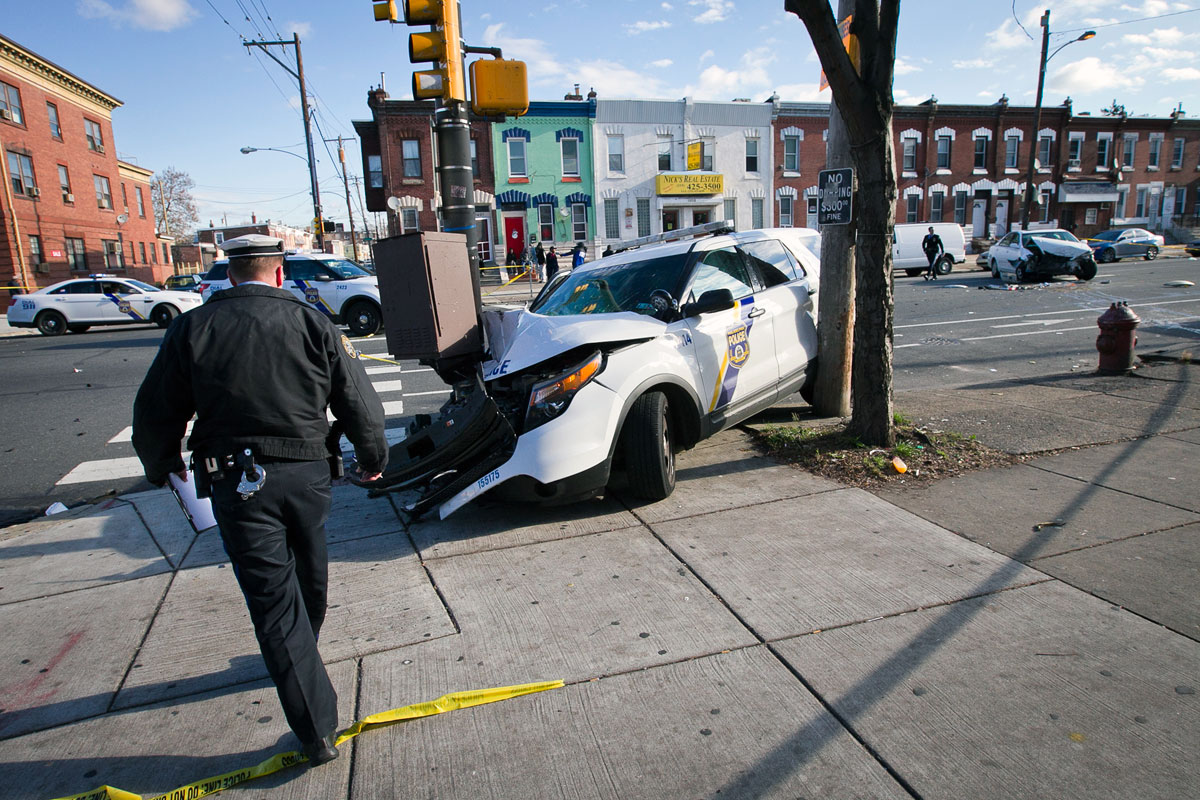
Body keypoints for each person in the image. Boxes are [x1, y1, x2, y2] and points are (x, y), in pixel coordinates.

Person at [132, 234, 387, 768]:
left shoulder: (192, 328)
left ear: (230, 275)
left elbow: (156, 408)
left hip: (238, 482)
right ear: (277, 273)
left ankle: (314, 721)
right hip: (308, 476)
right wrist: (372, 453)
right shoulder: (313, 321)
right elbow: (358, 396)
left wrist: (162, 462)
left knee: (274, 602)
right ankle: (307, 675)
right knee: (309, 575)